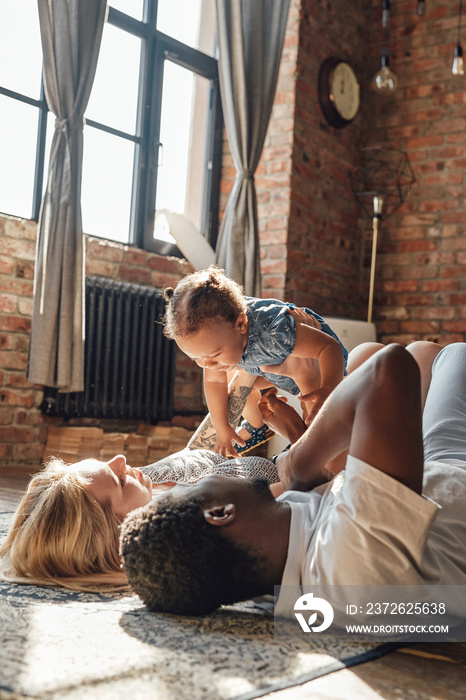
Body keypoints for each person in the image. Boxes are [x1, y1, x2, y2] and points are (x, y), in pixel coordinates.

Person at [120, 342, 466, 621]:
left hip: (436, 479)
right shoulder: (350, 566)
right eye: (195, 486)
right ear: (222, 513)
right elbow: (389, 370)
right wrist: (296, 461)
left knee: (408, 354)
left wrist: (300, 454)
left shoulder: (267, 563)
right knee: (453, 356)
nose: (210, 474)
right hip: (456, 471)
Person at [163, 266, 348, 457]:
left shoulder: (275, 332)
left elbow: (329, 348)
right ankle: (257, 425)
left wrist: (327, 390)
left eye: (215, 355)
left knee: (315, 423)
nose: (208, 365)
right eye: (197, 359)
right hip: (268, 366)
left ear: (241, 324)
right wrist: (222, 427)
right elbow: (214, 381)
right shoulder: (217, 340)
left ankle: (308, 444)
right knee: (236, 386)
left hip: (318, 367)